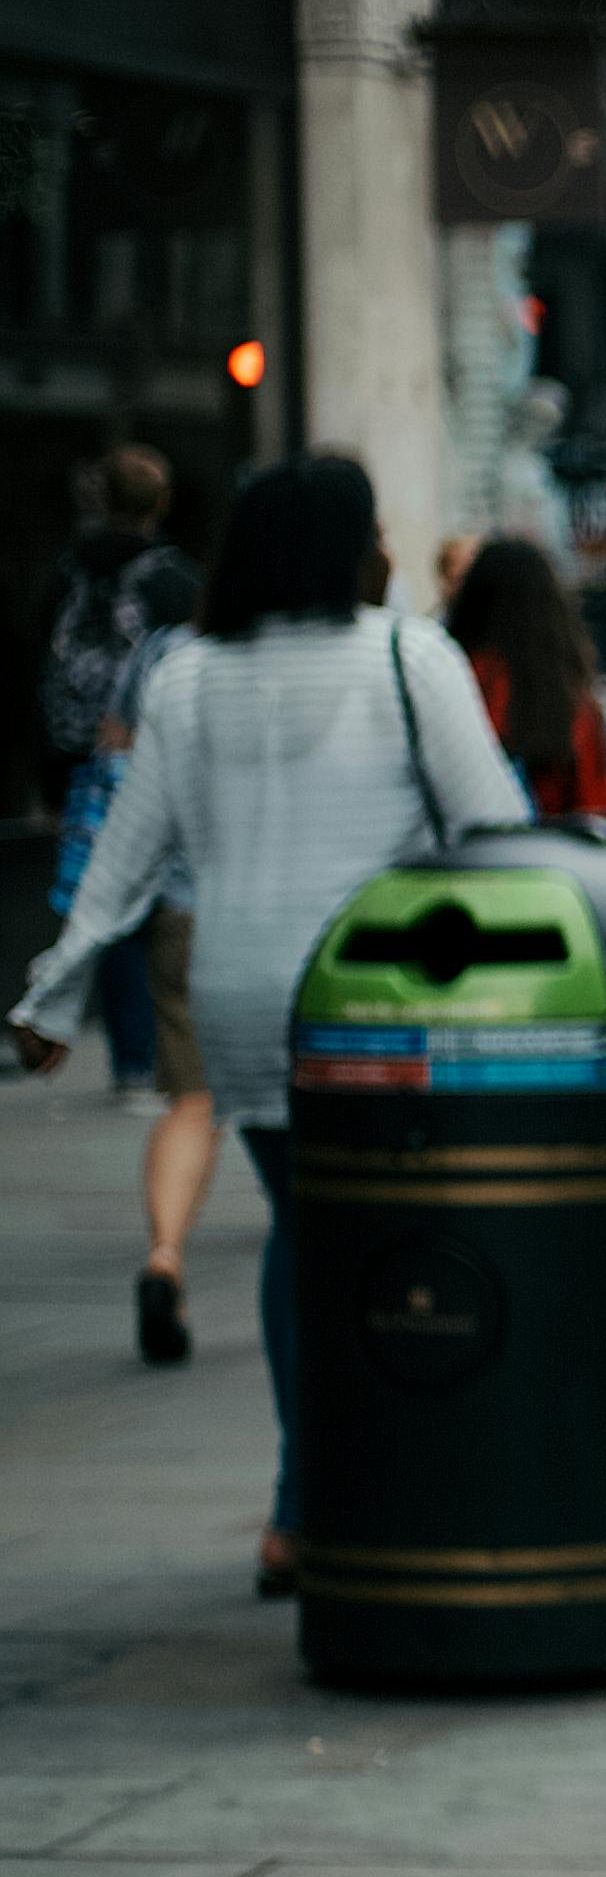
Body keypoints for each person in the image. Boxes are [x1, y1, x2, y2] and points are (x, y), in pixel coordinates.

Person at [13, 456, 525, 1588]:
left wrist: (50, 994)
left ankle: (304, 1503)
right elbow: (496, 824)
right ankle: (379, 1485)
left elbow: (124, 857)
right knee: (400, 1241)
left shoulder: (188, 677)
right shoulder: (406, 657)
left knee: (304, 1229)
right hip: (382, 1003)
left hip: (245, 999)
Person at [42, 447, 215, 1363]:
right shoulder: (179, 587)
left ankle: (164, 1248)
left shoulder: (70, 578)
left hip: (118, 799)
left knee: (192, 1101)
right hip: (256, 892)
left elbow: (110, 730)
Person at [447, 535, 606, 818]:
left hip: (461, 853)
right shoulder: (572, 702)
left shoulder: (454, 675)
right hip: (548, 854)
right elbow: (597, 812)